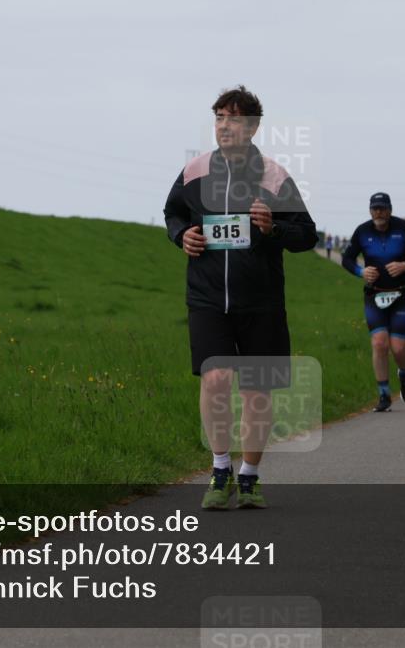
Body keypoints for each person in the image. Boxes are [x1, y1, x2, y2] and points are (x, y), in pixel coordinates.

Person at [164, 85, 318, 510]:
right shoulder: (194, 171)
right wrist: (183, 235)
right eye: (218, 117)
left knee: (257, 393)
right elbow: (172, 212)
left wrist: (273, 228)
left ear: (251, 127)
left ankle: (248, 476)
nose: (223, 125)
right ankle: (219, 469)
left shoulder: (274, 176)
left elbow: (307, 236)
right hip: (208, 299)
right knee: (214, 380)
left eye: (232, 118)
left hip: (261, 303)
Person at [342, 192, 405, 412]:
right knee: (379, 343)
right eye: (375, 208)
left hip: (402, 294)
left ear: (390, 210)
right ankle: (384, 394)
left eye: (382, 208)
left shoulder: (404, 228)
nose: (379, 212)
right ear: (370, 210)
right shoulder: (362, 231)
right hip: (374, 294)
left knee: (398, 347)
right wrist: (361, 271)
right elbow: (347, 259)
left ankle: (404, 373)